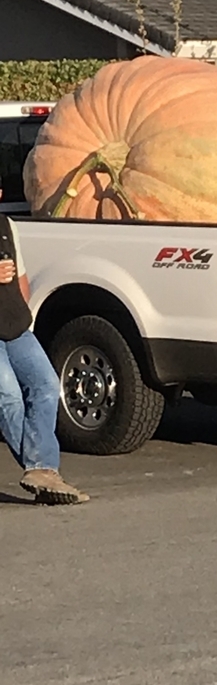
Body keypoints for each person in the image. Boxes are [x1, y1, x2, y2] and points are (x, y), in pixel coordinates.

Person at [0, 188, 89, 504]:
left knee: (47, 385)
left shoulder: (7, 226)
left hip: (15, 327)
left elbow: (21, 278)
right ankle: (43, 471)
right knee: (8, 396)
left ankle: (41, 472)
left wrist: (27, 317)